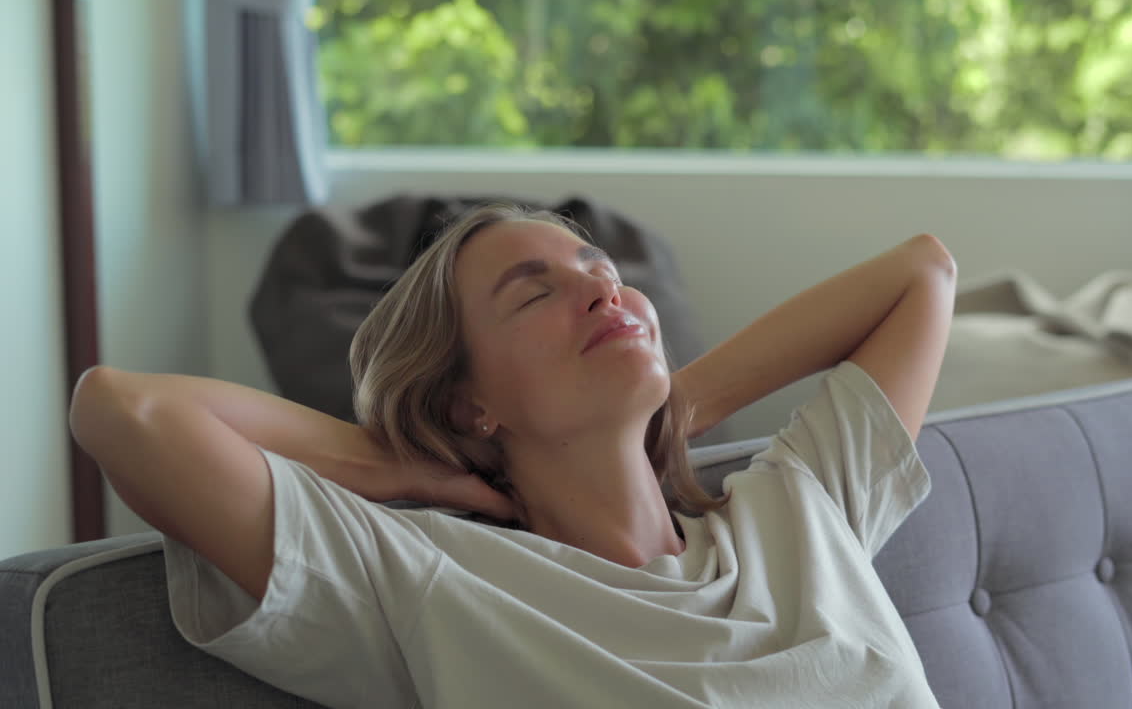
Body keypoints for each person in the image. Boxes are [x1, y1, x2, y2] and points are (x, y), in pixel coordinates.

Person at [69, 202, 957, 708]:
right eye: (536, 294)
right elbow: (124, 410)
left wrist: (675, 404)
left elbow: (924, 272)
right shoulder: (431, 581)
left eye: (599, 268)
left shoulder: (801, 507)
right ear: (472, 403)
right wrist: (394, 464)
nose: (601, 287)